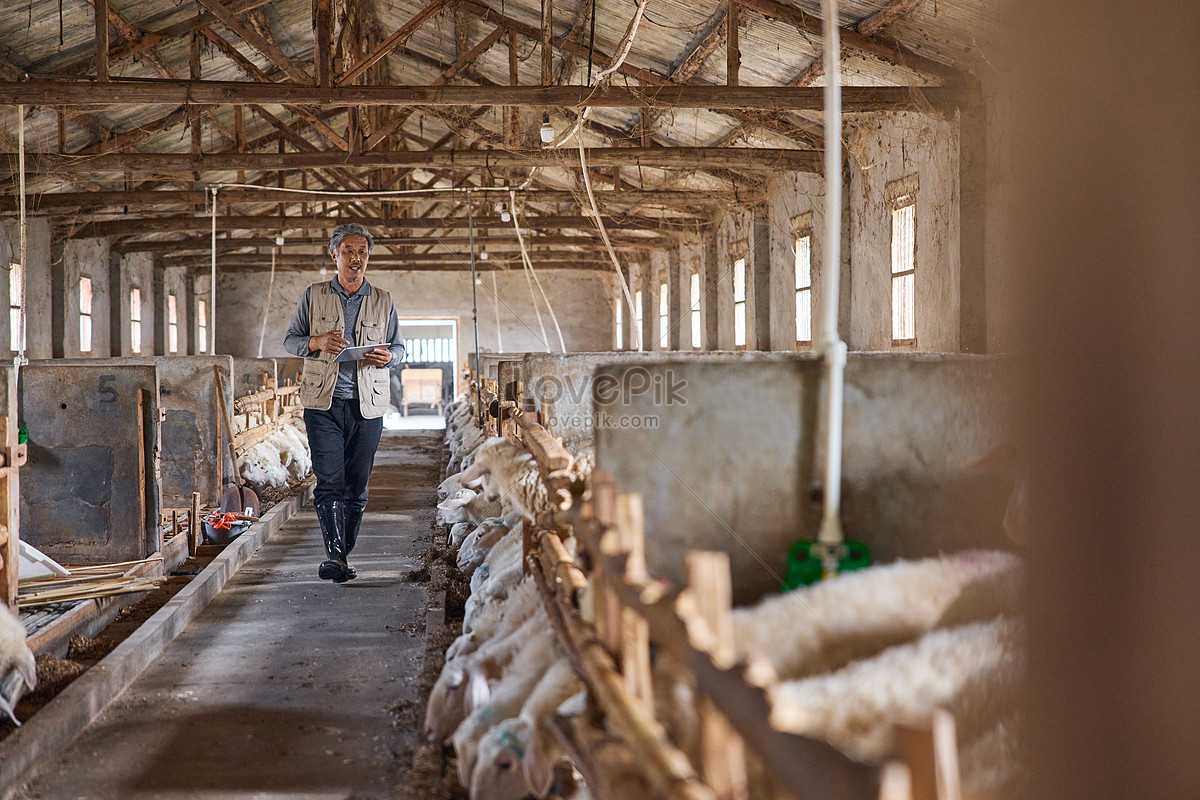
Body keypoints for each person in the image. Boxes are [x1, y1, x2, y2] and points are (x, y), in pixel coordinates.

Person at [283, 223, 405, 583]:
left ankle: (343, 554)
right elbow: (291, 340)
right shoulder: (314, 295)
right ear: (333, 255)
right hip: (324, 404)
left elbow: (399, 347)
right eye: (348, 252)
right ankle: (335, 556)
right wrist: (317, 341)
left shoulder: (383, 299)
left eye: (362, 252)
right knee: (329, 480)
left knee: (357, 484)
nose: (356, 259)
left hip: (367, 406)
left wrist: (389, 356)